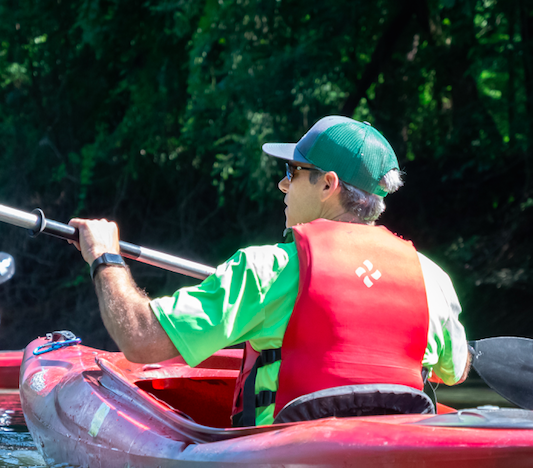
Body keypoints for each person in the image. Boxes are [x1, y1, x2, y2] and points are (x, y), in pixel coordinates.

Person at [69, 115, 469, 426]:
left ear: (328, 184)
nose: (282, 184)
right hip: (395, 465)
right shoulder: (430, 279)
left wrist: (105, 258)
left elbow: (141, 339)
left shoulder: (265, 271)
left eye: (293, 172)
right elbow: (455, 371)